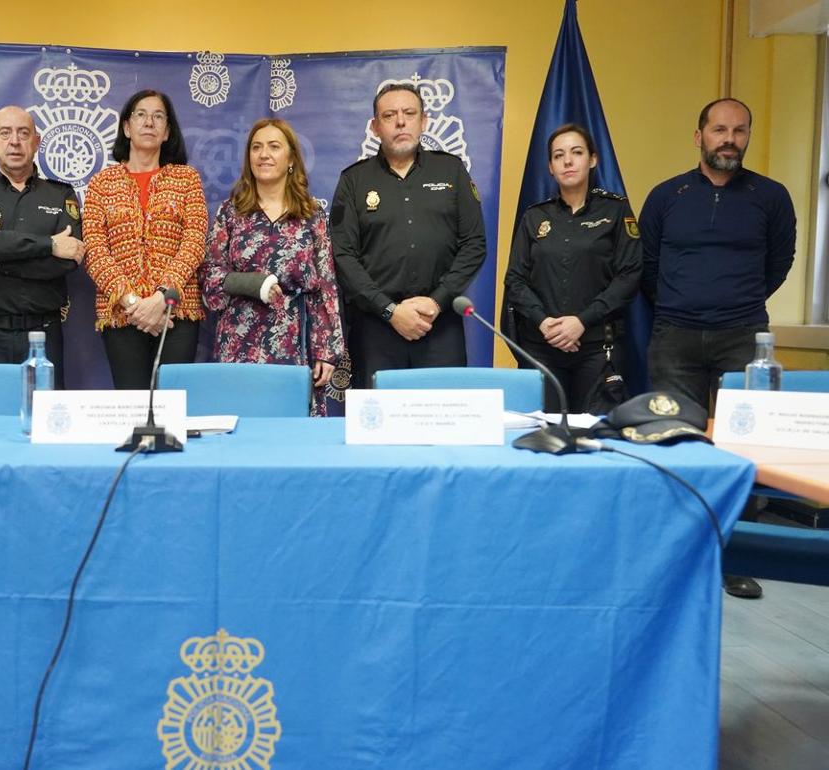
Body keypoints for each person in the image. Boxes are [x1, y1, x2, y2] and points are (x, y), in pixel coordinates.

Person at [640, 97, 796, 600]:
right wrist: (684, 302)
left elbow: (779, 262)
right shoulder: (667, 196)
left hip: (742, 337)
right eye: (719, 130)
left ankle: (735, 557)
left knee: (741, 447)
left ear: (748, 136)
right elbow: (646, 265)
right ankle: (676, 557)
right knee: (673, 441)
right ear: (699, 135)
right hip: (675, 336)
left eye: (740, 131)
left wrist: (733, 302)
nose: (729, 139)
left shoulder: (771, 197)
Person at [330, 82, 487, 388]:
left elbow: (474, 244)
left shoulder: (451, 171)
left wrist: (437, 302)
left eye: (409, 113)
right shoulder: (354, 180)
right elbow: (343, 256)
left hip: (439, 326)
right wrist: (390, 311)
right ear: (375, 127)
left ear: (423, 121)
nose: (400, 121)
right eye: (389, 115)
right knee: (377, 429)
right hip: (376, 329)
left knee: (445, 425)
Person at [200, 118, 344, 415]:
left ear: (291, 159)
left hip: (295, 341)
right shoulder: (231, 212)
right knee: (241, 431)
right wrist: (255, 284)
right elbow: (211, 276)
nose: (263, 154)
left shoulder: (312, 214)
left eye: (274, 147)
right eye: (256, 147)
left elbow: (325, 287)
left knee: (293, 438)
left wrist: (327, 351)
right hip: (238, 340)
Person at [503, 123, 641, 412]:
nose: (567, 161)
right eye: (558, 155)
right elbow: (515, 279)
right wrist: (544, 323)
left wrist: (581, 322)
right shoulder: (534, 216)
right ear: (550, 167)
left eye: (576, 152)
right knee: (542, 435)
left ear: (592, 159)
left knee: (594, 437)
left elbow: (629, 276)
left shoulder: (615, 212)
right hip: (541, 346)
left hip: (597, 346)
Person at [83, 90, 207, 389]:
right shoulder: (101, 183)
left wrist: (161, 298)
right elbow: (95, 250)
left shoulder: (187, 179)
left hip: (176, 311)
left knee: (171, 407)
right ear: (127, 128)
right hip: (122, 314)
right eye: (141, 114)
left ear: (167, 132)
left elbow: (194, 242)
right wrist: (133, 303)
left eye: (158, 116)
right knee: (132, 408)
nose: (149, 122)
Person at [0, 106, 84, 388]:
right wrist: (48, 244)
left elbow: (68, 259)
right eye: (5, 133)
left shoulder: (61, 194)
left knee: (44, 424)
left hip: (43, 334)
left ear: (36, 142)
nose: (15, 141)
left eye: (23, 133)